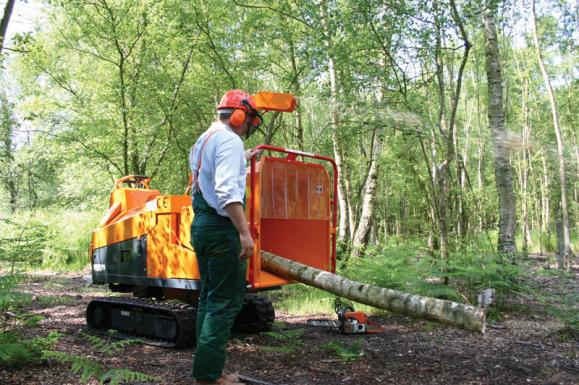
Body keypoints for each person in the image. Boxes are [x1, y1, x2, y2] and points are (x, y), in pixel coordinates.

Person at [189, 90, 262, 385]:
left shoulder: (205, 139)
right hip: (221, 230)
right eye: (248, 121)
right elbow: (227, 191)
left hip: (202, 225)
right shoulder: (230, 139)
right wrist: (244, 233)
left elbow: (208, 171)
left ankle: (207, 370)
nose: (247, 128)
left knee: (208, 299)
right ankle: (209, 377)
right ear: (238, 115)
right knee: (224, 302)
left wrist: (243, 158)